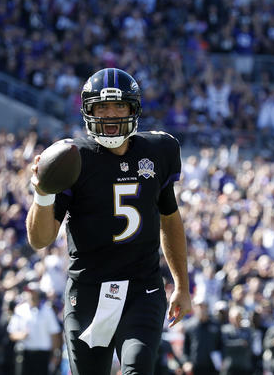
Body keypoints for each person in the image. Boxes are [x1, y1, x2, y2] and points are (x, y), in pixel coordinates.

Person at [26, 67, 192, 375]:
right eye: (102, 106)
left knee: (138, 368)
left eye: (119, 105)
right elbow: (39, 239)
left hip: (142, 289)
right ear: (89, 111)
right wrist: (42, 194)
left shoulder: (158, 151)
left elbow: (169, 218)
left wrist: (181, 283)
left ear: (134, 109)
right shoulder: (72, 159)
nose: (111, 114)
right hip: (89, 291)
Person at [7, 283, 61, 375]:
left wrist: (55, 354)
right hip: (25, 353)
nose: (31, 295)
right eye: (29, 292)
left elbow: (55, 334)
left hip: (42, 355)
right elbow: (11, 333)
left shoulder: (47, 311)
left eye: (33, 292)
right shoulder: (20, 310)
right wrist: (21, 335)